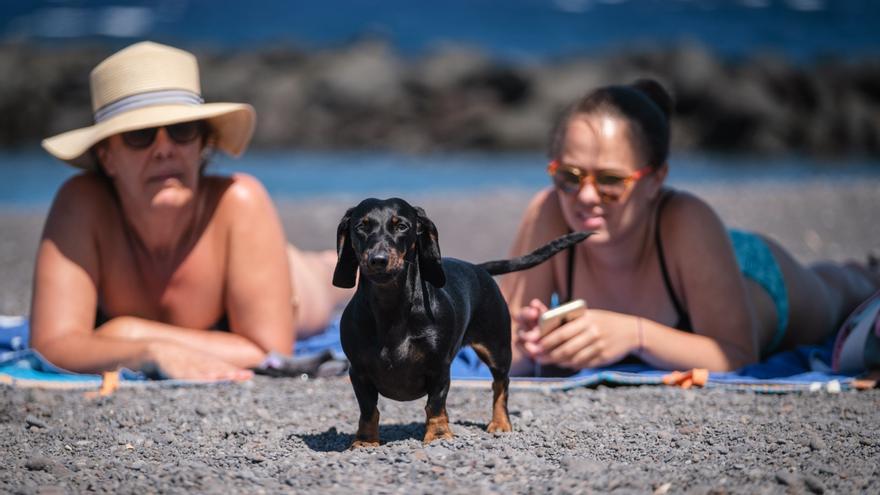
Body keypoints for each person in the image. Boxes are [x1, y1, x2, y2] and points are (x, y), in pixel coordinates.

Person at [501, 79, 880, 375]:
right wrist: (535, 343)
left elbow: (735, 353)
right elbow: (507, 351)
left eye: (611, 181)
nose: (584, 195)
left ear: (655, 180)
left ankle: (867, 270)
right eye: (569, 175)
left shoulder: (686, 216)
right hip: (699, 261)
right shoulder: (548, 212)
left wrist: (633, 335)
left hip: (752, 274)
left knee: (841, 293)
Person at [31, 41, 347, 381]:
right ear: (107, 155)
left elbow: (269, 350)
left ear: (202, 143)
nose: (164, 149)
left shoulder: (237, 200)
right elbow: (52, 343)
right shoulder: (83, 206)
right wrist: (145, 351)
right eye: (141, 135)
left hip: (292, 281)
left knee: (341, 274)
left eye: (182, 131)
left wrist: (129, 332)